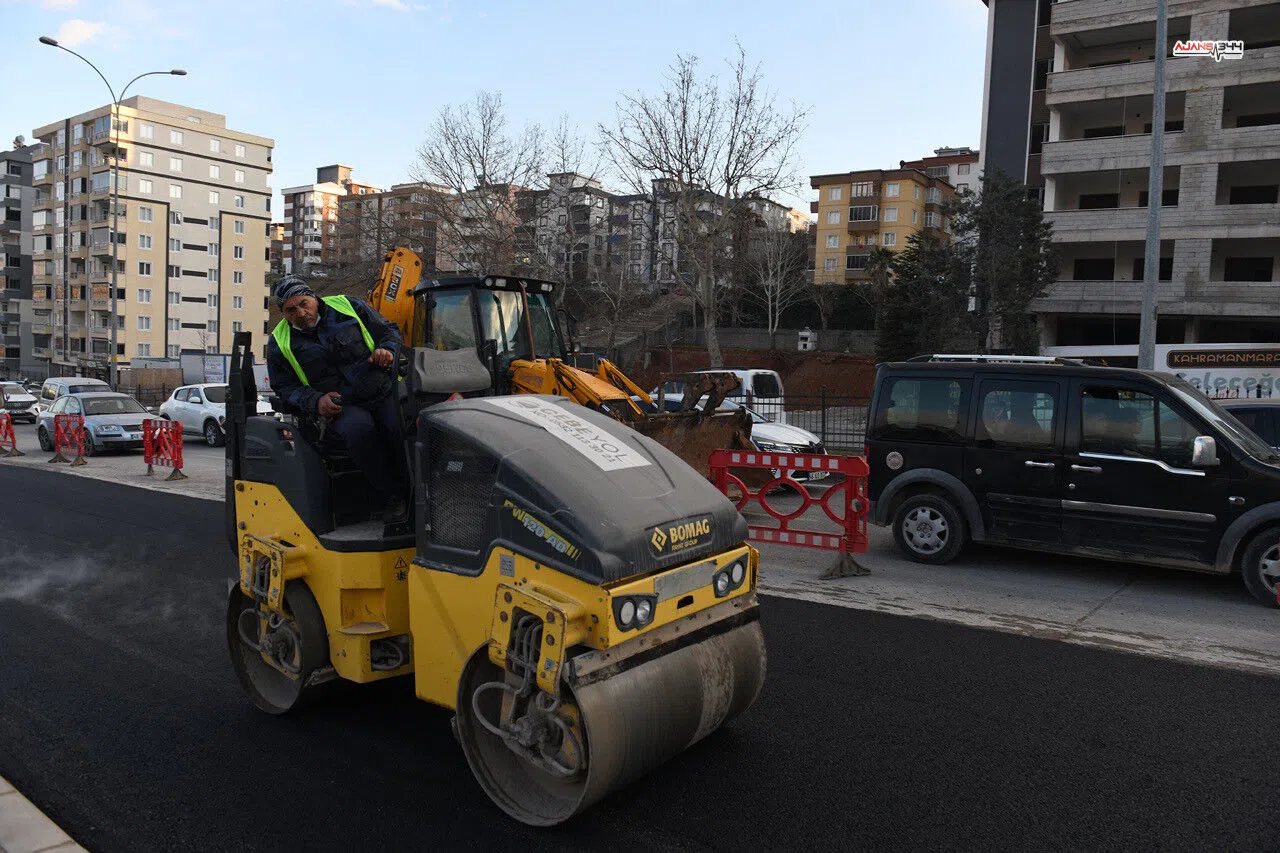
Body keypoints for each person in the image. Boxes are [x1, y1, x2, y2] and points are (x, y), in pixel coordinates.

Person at [266, 274, 408, 521]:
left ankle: (418, 487)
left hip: (381, 390)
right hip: (342, 406)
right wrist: (316, 401)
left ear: (313, 297)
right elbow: (284, 387)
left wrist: (387, 350)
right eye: (291, 310)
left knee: (402, 427)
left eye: (304, 304)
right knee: (360, 432)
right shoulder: (279, 342)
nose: (301, 313)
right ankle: (394, 495)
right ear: (282, 312)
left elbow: (389, 331)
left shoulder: (348, 306)